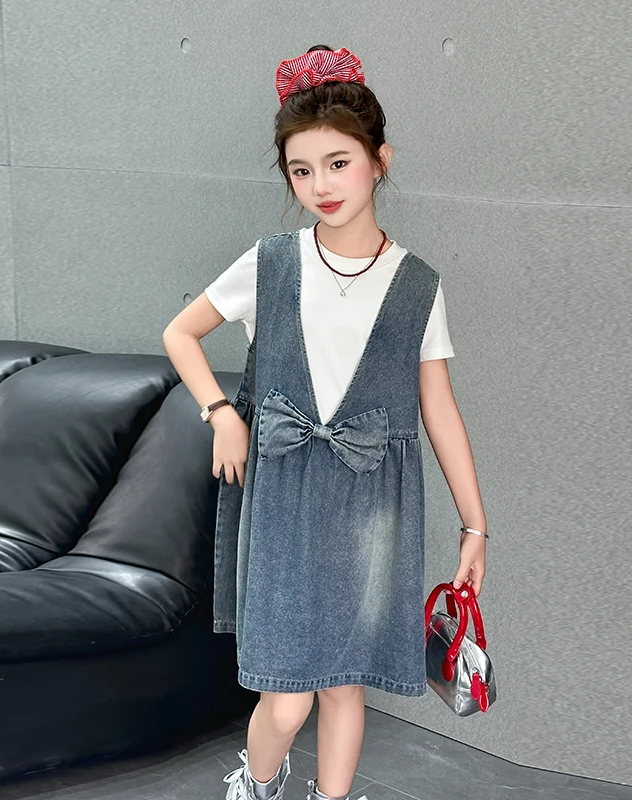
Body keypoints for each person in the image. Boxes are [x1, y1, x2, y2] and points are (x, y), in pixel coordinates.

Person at [162, 45, 487, 800]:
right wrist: (222, 413)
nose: (321, 186)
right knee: (287, 698)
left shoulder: (417, 284)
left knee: (346, 684)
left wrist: (476, 525)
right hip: (283, 498)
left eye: (338, 163)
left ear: (379, 160)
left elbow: (438, 407)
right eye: (301, 171)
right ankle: (256, 786)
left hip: (373, 504)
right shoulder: (270, 263)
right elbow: (181, 332)